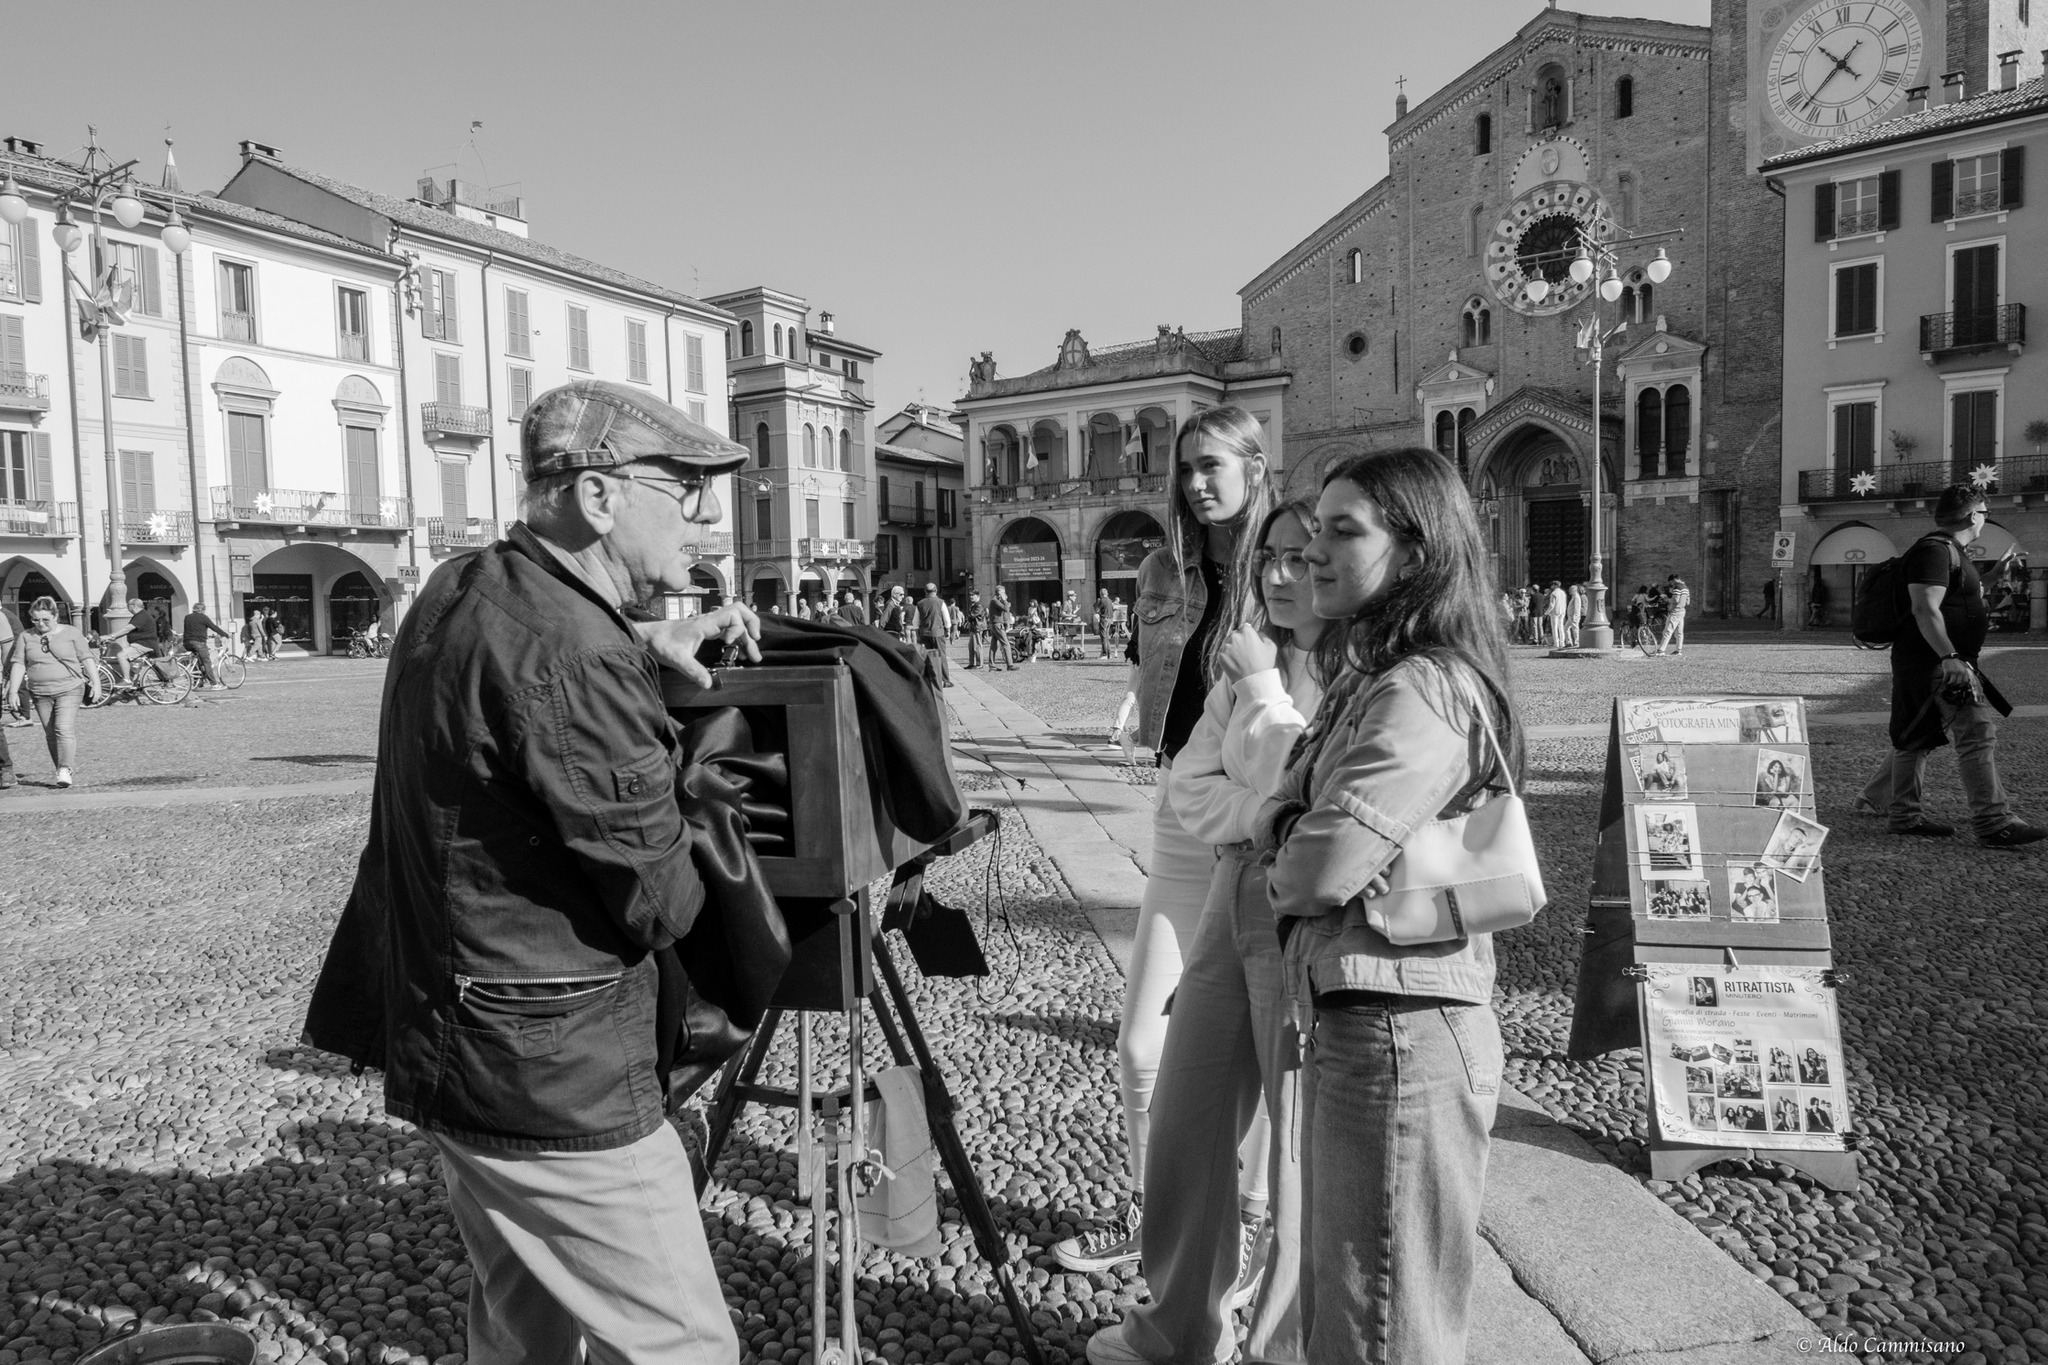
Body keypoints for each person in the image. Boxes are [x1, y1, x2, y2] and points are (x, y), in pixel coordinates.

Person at [321, 380, 760, 1361]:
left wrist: (640, 645)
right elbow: (660, 901)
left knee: (526, 1332)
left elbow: (512, 672)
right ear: (599, 496)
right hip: (554, 1071)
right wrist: (693, 794)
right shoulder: (575, 660)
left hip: (453, 1037)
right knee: (681, 1345)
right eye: (685, 487)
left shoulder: (454, 586)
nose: (706, 516)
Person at [1257, 446, 1520, 1364]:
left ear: (1413, 554)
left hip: (1402, 1033)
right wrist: (1288, 829)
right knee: (1357, 1299)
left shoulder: (1423, 690)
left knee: (1383, 1321)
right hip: (1370, 1022)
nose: (1310, 555)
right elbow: (1286, 816)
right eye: (1311, 531)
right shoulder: (1374, 677)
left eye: (1342, 532)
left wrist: (1283, 845)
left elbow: (1316, 864)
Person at [1089, 500, 1324, 1365]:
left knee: (1298, 1152)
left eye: (1310, 554)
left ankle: (1272, 1346)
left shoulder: (1355, 669)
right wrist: (1268, 812)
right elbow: (1188, 787)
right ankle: (1179, 1327)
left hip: (1306, 924)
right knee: (1186, 1114)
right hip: (1234, 897)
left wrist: (1264, 775)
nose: (1283, 573)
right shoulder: (1248, 664)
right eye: (1275, 556)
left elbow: (1317, 794)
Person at [1057, 406, 1278, 1277]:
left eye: (1212, 464)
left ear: (1257, 466)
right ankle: (1160, 1213)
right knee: (1142, 1045)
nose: (1193, 481)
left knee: (1262, 1047)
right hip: (1185, 815)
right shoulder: (1162, 566)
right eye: (1185, 466)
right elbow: (1159, 674)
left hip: (1262, 824)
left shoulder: (1286, 565)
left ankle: (1253, 1220)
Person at [1857, 485, 2044, 846]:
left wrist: (1993, 575)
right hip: (1938, 665)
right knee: (1976, 734)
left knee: (1915, 738)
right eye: (1985, 513)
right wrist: (1950, 657)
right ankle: (1994, 822)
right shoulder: (1934, 552)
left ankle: (1903, 816)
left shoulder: (1946, 553)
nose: (1985, 519)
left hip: (1930, 662)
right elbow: (1924, 607)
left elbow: (1954, 596)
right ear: (1974, 516)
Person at [4, 596, 99, 789]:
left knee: (63, 728)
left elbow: (87, 658)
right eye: (36, 620)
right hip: (39, 692)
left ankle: (65, 768)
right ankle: (61, 769)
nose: (41, 624)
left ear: (55, 616)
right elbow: (19, 664)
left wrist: (96, 683)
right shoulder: (26, 636)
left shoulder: (71, 633)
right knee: (50, 733)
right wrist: (13, 692)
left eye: (46, 619)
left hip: (69, 688)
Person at [181, 601, 232, 688]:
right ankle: (214, 684)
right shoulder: (203, 618)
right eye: (204, 610)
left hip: (187, 642)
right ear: (202, 610)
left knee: (197, 660)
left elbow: (193, 629)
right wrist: (225, 634)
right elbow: (214, 627)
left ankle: (198, 682)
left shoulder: (187, 617)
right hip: (198, 642)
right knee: (206, 662)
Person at [915, 581, 953, 688]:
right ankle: (945, 680)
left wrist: (917, 632)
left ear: (925, 591)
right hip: (938, 633)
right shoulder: (941, 602)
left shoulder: (920, 603)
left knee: (927, 656)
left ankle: (930, 679)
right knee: (941, 656)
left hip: (924, 633)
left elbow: (915, 622)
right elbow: (946, 619)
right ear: (935, 591)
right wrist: (948, 630)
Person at [1654, 574, 1691, 655]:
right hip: (1682, 611)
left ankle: (1661, 650)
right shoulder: (1686, 588)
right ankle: (1678, 650)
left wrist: (1666, 598)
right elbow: (1688, 602)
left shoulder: (1677, 588)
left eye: (1671, 582)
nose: (1671, 584)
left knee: (1667, 631)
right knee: (1679, 632)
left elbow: (1676, 599)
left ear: (1674, 580)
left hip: (1675, 611)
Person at [990, 587, 1017, 670]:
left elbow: (1007, 607)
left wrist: (1006, 603)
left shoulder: (996, 601)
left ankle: (991, 665)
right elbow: (1006, 608)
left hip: (995, 624)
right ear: (999, 593)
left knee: (993, 646)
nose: (1005, 594)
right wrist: (1005, 600)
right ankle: (1010, 664)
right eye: (1003, 592)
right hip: (997, 624)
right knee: (1006, 644)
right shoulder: (995, 601)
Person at [962, 592, 986, 668]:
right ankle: (972, 663)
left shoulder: (979, 605)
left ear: (978, 596)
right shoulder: (974, 605)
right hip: (974, 627)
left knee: (977, 646)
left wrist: (968, 618)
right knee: (971, 646)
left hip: (977, 627)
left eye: (973, 595)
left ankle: (979, 664)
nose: (971, 597)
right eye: (970, 595)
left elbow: (972, 615)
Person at [1543, 579, 1566, 650]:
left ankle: (1556, 643)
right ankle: (1562, 642)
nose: (1551, 586)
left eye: (1552, 585)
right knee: (1561, 627)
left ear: (1555, 585)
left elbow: (1552, 605)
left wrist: (1546, 612)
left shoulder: (1553, 593)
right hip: (1562, 611)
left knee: (1555, 628)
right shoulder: (1563, 592)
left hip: (1555, 611)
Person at [1093, 588, 1115, 658]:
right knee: (1107, 637)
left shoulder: (1102, 600)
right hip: (1110, 619)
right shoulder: (1110, 600)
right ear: (1107, 593)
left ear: (1100, 594)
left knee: (1103, 637)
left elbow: (1097, 610)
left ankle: (1104, 654)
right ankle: (1109, 654)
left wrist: (1096, 606)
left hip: (1104, 619)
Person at [1564, 581, 1584, 647]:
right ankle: (1569, 642)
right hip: (1570, 616)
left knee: (1575, 629)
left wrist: (1575, 616)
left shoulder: (1576, 597)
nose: (1569, 591)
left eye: (1570, 590)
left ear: (1574, 590)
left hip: (1573, 616)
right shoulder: (1573, 597)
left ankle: (1576, 642)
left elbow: (1577, 607)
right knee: (1566, 628)